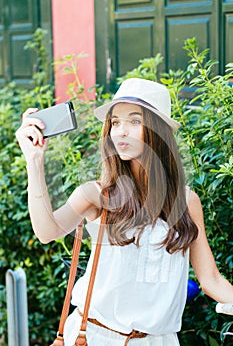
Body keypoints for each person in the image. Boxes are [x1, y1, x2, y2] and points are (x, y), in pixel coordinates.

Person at [16, 78, 233, 346]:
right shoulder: (97, 194)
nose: (120, 131)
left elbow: (211, 279)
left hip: (158, 341)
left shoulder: (187, 202)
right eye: (115, 122)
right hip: (95, 337)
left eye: (134, 121)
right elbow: (47, 232)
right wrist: (34, 161)